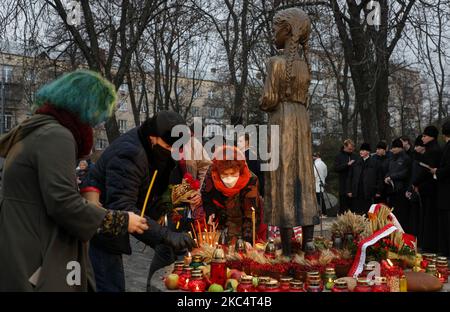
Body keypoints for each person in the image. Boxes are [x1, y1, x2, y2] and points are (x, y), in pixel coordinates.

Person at [0, 70, 149, 291]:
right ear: (85, 107)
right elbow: (63, 203)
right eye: (96, 114)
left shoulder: (36, 130)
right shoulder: (57, 135)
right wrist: (121, 220)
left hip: (22, 247)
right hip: (38, 256)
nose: (95, 124)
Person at [84, 110, 195, 292]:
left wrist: (160, 216)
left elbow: (148, 192)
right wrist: (165, 235)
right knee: (109, 285)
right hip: (101, 227)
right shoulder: (130, 154)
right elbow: (123, 208)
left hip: (112, 224)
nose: (172, 151)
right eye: (169, 146)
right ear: (153, 137)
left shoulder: (152, 149)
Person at [260, 7, 318, 256]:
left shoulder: (276, 63)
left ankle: (286, 247)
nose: (273, 32)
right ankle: (308, 242)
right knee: (304, 176)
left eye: (276, 27)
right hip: (301, 121)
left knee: (282, 174)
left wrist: (262, 102)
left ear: (288, 30)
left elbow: (269, 98)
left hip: (281, 120)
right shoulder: (305, 66)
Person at [146, 130, 212, 289]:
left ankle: (183, 283)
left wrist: (199, 190)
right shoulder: (160, 146)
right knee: (165, 246)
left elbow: (206, 166)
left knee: (184, 246)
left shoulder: (192, 144)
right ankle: (154, 285)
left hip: (189, 205)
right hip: (167, 203)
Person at [202, 145, 266, 245]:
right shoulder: (212, 175)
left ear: (240, 171)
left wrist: (247, 240)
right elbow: (206, 195)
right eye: (225, 174)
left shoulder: (250, 180)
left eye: (233, 174)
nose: (229, 179)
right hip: (222, 223)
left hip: (244, 222)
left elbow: (250, 213)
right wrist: (210, 212)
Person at [412, 125, 442, 253]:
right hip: (427, 187)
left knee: (429, 216)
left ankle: (429, 245)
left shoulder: (433, 150)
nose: (422, 138)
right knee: (427, 216)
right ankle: (427, 244)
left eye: (424, 136)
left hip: (429, 188)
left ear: (431, 137)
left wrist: (416, 182)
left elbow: (426, 170)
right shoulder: (431, 148)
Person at [430, 121, 450, 257]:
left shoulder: (449, 147)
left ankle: (447, 250)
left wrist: (437, 171)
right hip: (445, 191)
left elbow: (448, 168)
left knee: (446, 222)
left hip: (447, 191)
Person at [346, 143, 382, 215]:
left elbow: (379, 177)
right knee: (357, 212)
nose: (361, 152)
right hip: (357, 191)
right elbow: (350, 177)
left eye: (363, 150)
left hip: (369, 192)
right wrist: (349, 190)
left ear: (368, 152)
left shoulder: (375, 163)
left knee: (368, 212)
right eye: (360, 150)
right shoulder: (356, 162)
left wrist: (379, 191)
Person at [384, 139, 412, 232]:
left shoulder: (406, 158)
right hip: (391, 190)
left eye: (394, 147)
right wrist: (387, 177)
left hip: (401, 190)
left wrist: (391, 176)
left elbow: (405, 173)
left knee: (401, 214)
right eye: (392, 148)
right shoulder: (392, 158)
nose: (392, 150)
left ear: (400, 148)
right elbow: (388, 170)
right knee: (393, 214)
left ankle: (403, 234)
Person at [406, 135, 426, 239]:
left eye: (417, 146)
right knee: (414, 214)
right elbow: (412, 175)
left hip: (421, 190)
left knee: (421, 214)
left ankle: (420, 237)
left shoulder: (424, 158)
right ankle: (414, 236)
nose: (415, 148)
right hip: (414, 189)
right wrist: (410, 188)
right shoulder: (415, 159)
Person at [334, 139, 357, 213]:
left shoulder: (355, 156)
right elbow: (336, 168)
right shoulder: (339, 156)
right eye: (349, 149)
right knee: (343, 207)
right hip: (343, 185)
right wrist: (347, 164)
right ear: (345, 146)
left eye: (352, 149)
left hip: (353, 185)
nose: (351, 150)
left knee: (353, 207)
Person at [313, 152, 328, 217]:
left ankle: (323, 213)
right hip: (321, 183)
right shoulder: (324, 164)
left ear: (316, 157)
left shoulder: (315, 164)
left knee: (318, 199)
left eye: (313, 156)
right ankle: (324, 213)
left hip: (316, 183)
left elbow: (314, 175)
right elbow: (325, 174)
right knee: (321, 199)